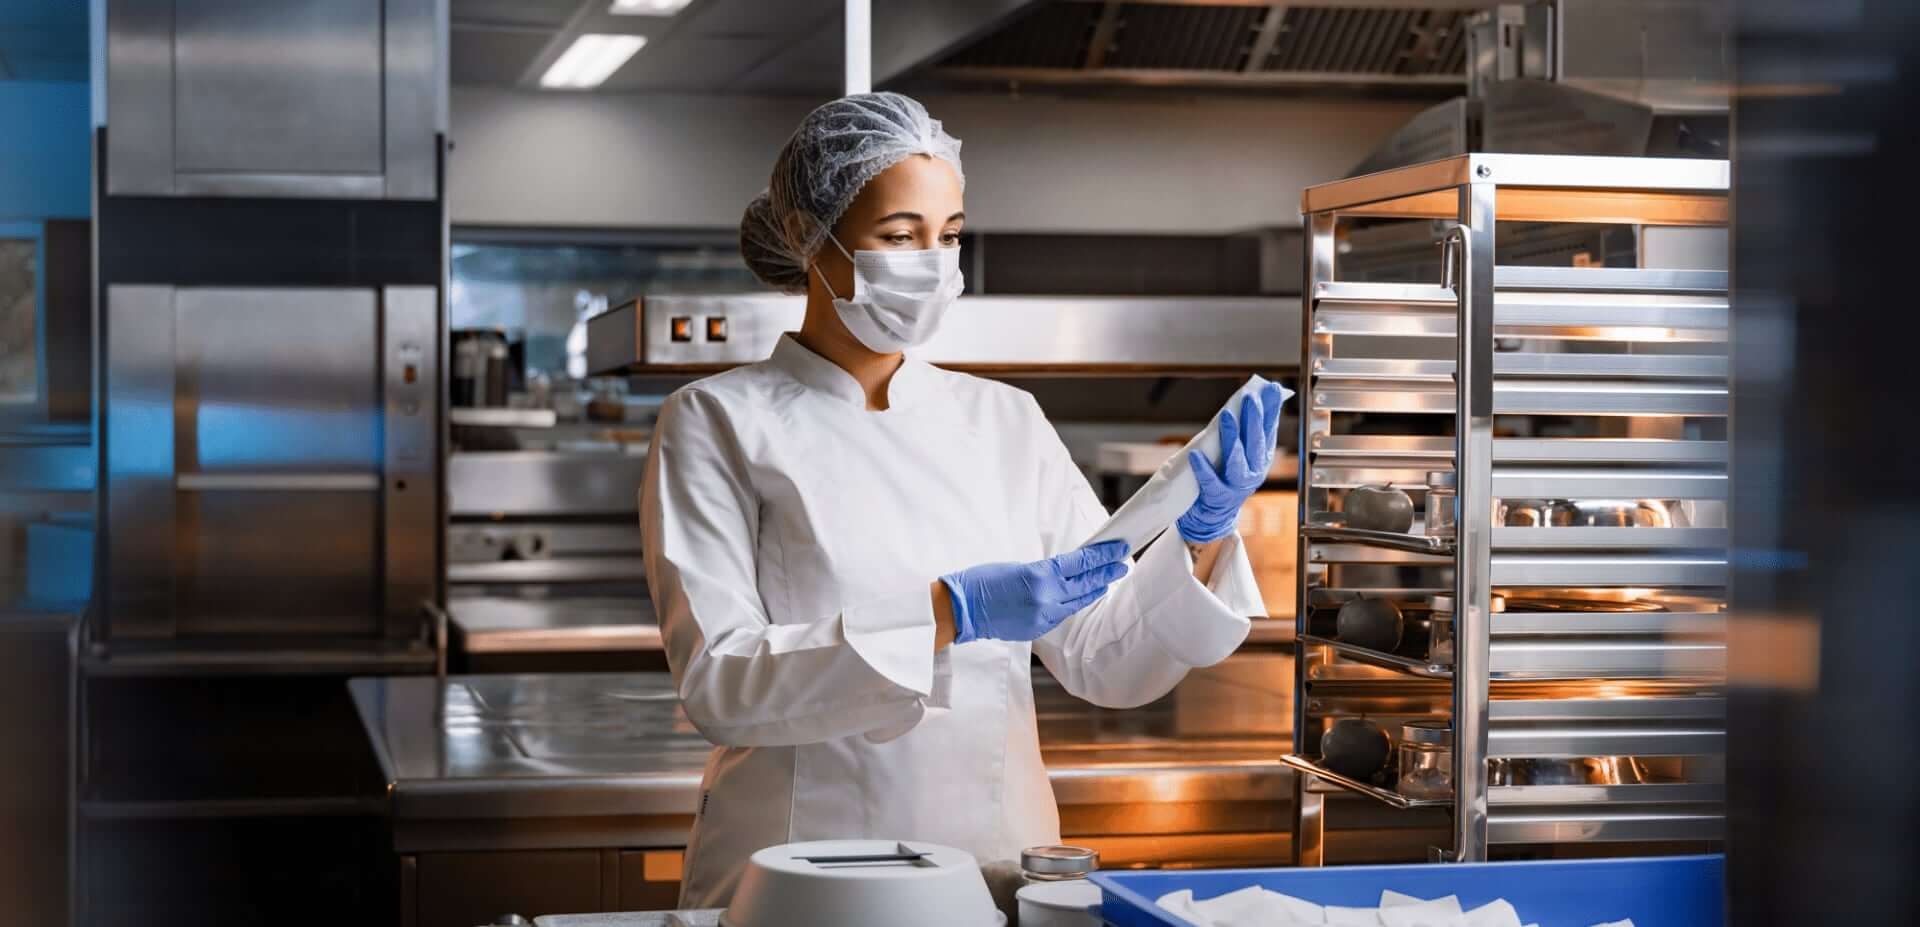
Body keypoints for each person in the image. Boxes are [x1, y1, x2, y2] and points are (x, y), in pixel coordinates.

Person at [640, 92, 1287, 909]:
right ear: (812, 235)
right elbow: (723, 683)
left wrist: (1196, 534)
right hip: (797, 877)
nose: (933, 261)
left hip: (992, 868)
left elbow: (1104, 658)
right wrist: (951, 613)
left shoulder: (1003, 418)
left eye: (947, 235)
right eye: (899, 235)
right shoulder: (716, 420)